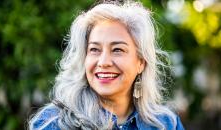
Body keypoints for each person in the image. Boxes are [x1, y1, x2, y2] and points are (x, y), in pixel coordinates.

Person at [29, 0, 185, 130]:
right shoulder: (54, 123)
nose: (103, 62)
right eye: (94, 49)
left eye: (117, 50)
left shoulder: (166, 124)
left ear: (141, 63)